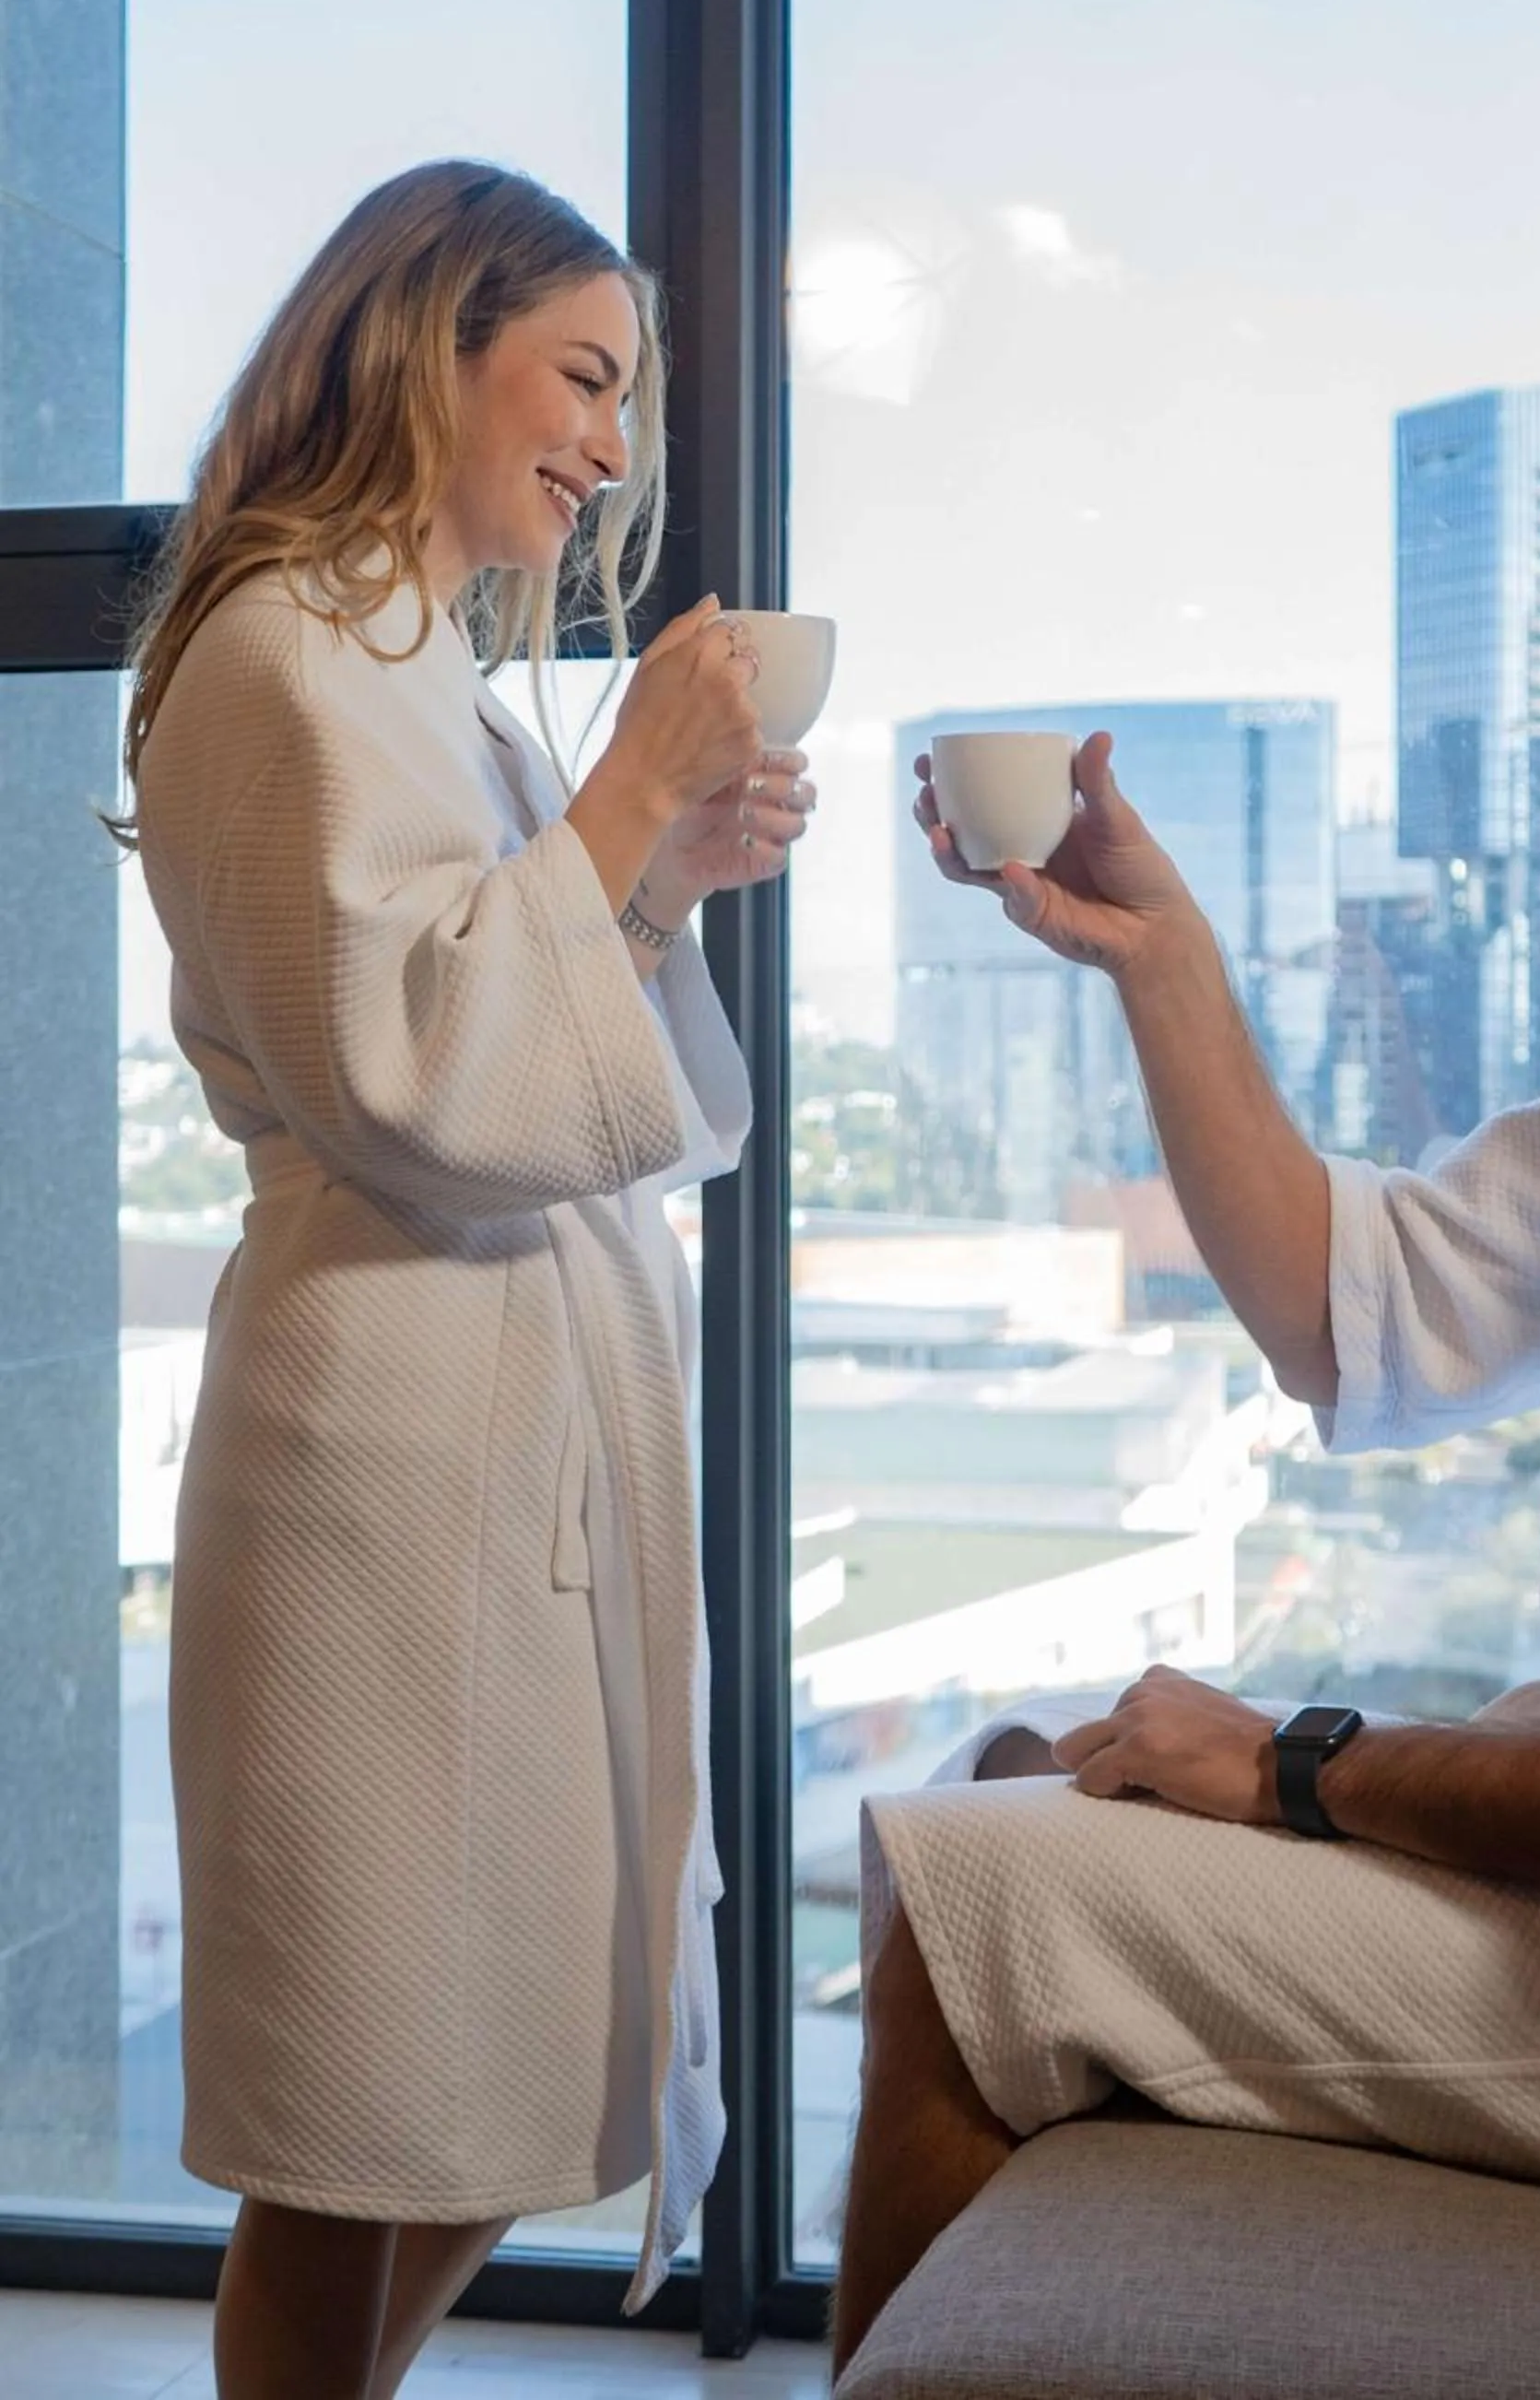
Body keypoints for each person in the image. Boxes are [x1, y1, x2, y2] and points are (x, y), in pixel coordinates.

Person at [831, 336, 1540, 2371]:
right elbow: (1348, 1304)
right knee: (1027, 1767)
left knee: (973, 1888)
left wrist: (1298, 1766)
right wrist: (1163, 962)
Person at [119, 160, 814, 2399]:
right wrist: (624, 801)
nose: (613, 446)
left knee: (497, 2081)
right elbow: (409, 1067)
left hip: (501, 1446)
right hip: (387, 1467)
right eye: (584, 379)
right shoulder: (280, 651)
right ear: (434, 345)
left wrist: (655, 875)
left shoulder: (427, 672)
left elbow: (518, 1024)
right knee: (360, 2118)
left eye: (630, 403)